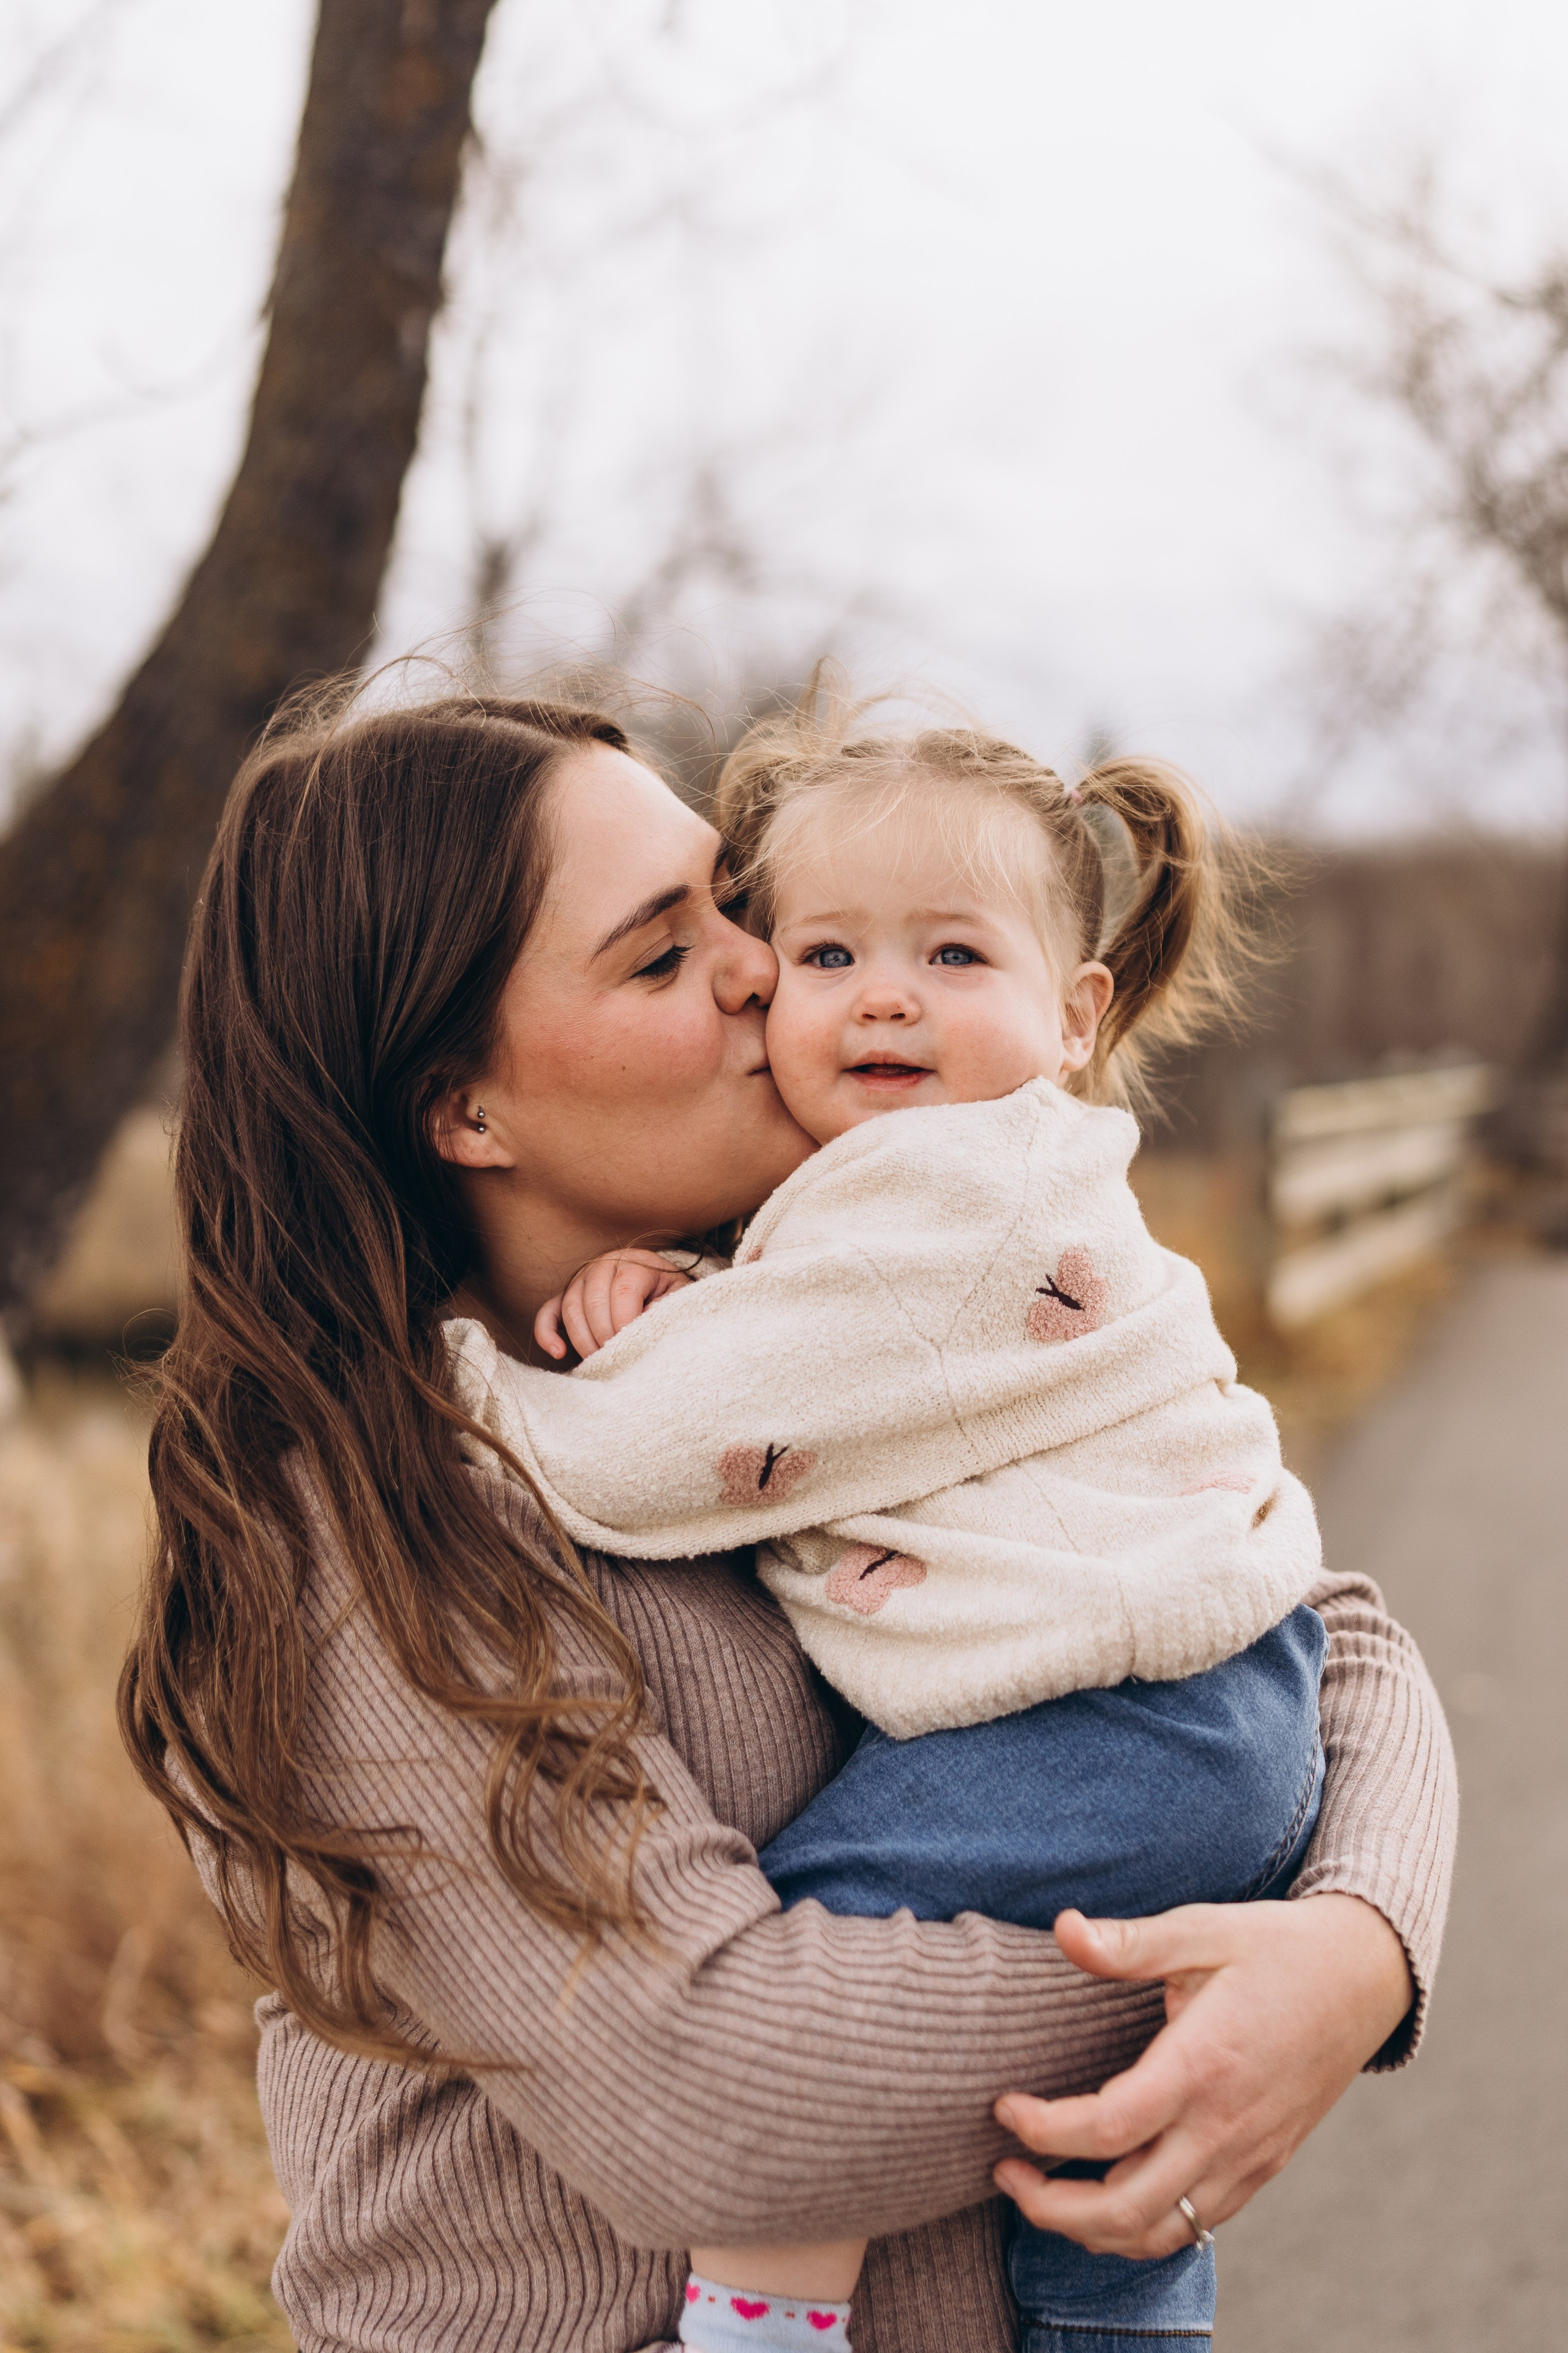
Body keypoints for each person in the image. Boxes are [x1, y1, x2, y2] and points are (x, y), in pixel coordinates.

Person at [119, 687, 1456, 2353]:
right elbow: (724, 2099)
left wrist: (1358, 1946)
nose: (771, 967)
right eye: (666, 954)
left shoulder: (823, 1313)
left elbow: (1304, 1618)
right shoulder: (374, 1524)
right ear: (468, 1109)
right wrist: (1225, 1991)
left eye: (736, 907)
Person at [451, 716, 1326, 2352]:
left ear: (1078, 1017)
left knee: (829, 1920)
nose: (882, 995)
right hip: (1185, 1695)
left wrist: (477, 1381)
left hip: (1125, 1714)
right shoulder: (934, 1192)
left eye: (950, 953)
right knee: (1103, 2201)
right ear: (462, 1101)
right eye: (825, 949)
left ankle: (765, 2324)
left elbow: (658, 1449)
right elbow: (848, 1364)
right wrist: (695, 1296)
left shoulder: (961, 1194)